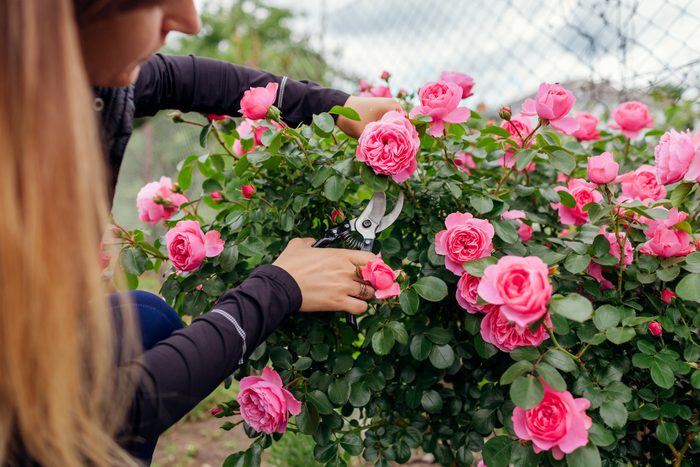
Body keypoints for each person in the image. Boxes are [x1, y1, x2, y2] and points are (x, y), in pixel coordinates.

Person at [0, 0, 400, 465]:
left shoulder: (70, 83)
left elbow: (180, 79)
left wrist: (336, 107)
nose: (189, 22)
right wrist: (278, 288)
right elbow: (101, 406)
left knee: (146, 318)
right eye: (157, 2)